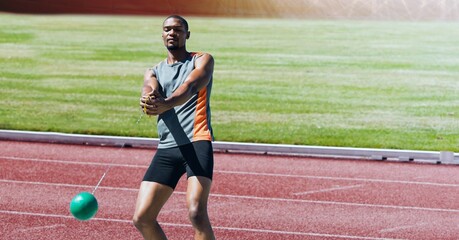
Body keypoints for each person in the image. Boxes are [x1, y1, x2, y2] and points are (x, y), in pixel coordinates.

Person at [132, 15, 215, 240]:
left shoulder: (202, 59)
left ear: (187, 35)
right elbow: (149, 87)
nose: (172, 33)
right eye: (167, 29)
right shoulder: (154, 70)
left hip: (197, 142)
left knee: (196, 213)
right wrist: (148, 100)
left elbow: (191, 86)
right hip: (168, 147)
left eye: (178, 30)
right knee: (142, 217)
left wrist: (166, 104)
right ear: (162, 34)